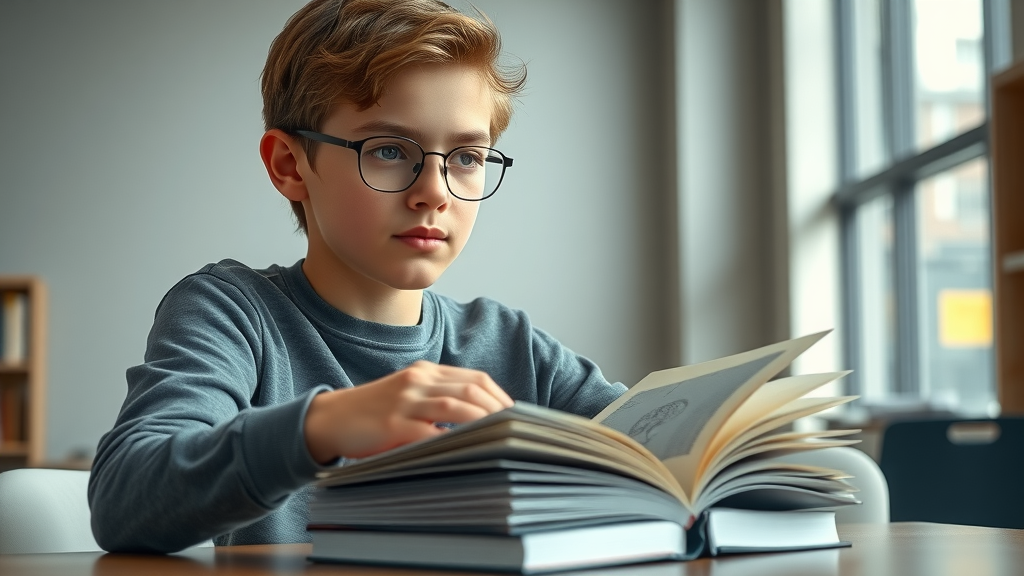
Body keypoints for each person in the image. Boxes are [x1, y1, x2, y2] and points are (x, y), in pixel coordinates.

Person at [88, 0, 626, 553]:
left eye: (466, 157)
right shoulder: (232, 313)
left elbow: (665, 456)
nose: (435, 192)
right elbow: (124, 500)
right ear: (290, 166)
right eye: (390, 150)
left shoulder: (511, 347)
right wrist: (324, 425)